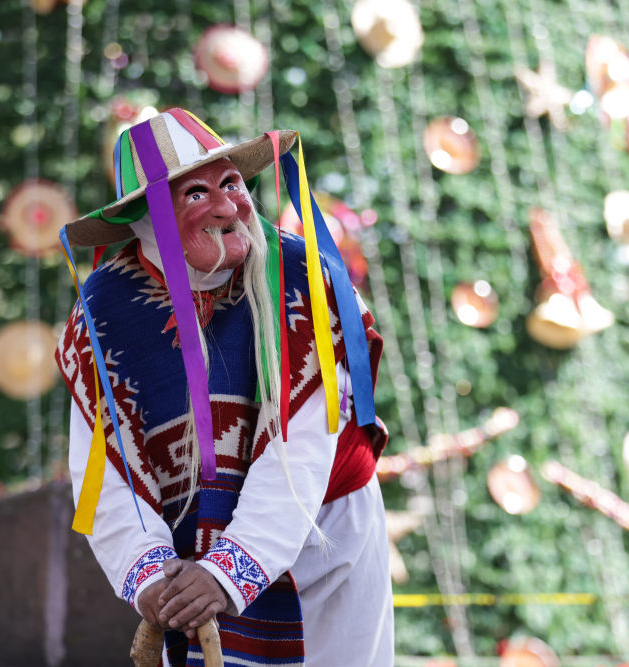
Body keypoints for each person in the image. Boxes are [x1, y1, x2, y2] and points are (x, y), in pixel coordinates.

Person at [55, 108, 394, 666]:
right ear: (146, 218)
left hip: (326, 539)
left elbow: (303, 447)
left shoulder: (301, 275)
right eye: (196, 193)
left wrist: (229, 570)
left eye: (232, 183)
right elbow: (104, 473)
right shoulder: (103, 313)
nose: (228, 207)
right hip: (186, 557)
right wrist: (148, 573)